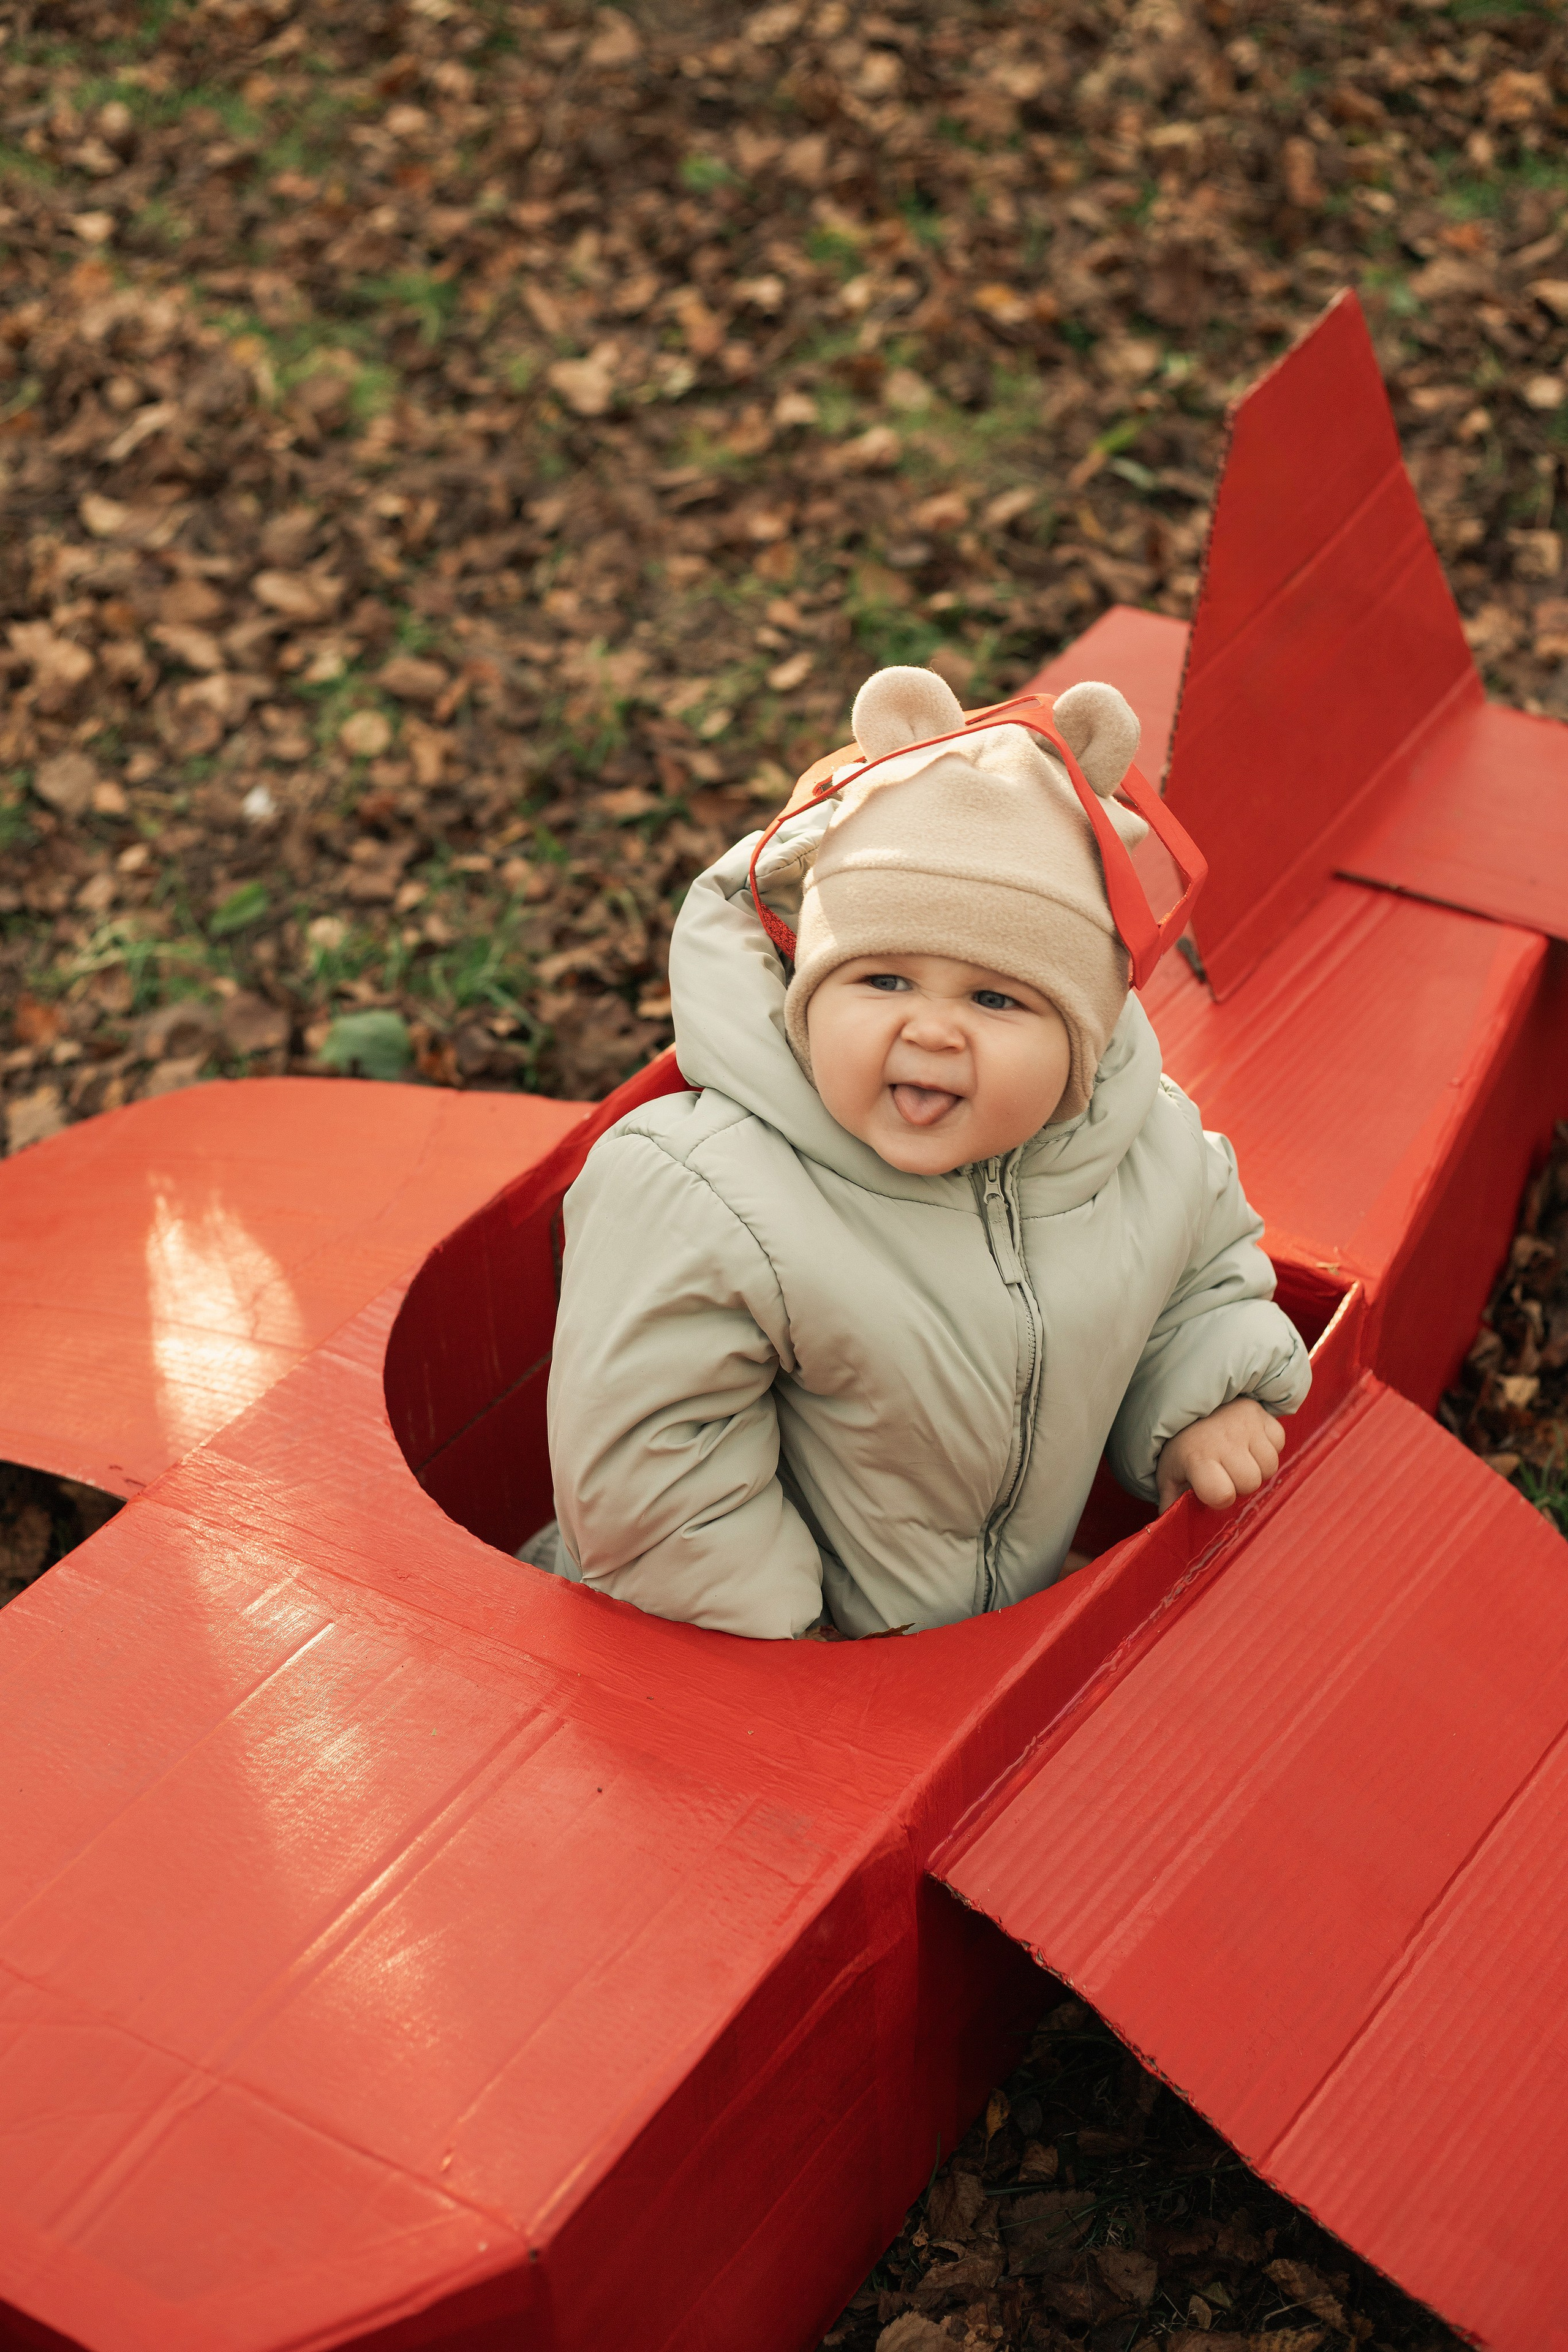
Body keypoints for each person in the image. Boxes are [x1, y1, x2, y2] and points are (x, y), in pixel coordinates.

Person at [539, 664, 1310, 1639]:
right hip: (751, 1665)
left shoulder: (1144, 1153)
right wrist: (794, 1660)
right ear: (807, 992)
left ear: (1085, 1039)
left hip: (988, 1640)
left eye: (996, 999)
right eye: (885, 979)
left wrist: (1210, 1387)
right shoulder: (707, 1193)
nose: (933, 1031)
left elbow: (1192, 1281)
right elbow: (656, 1470)